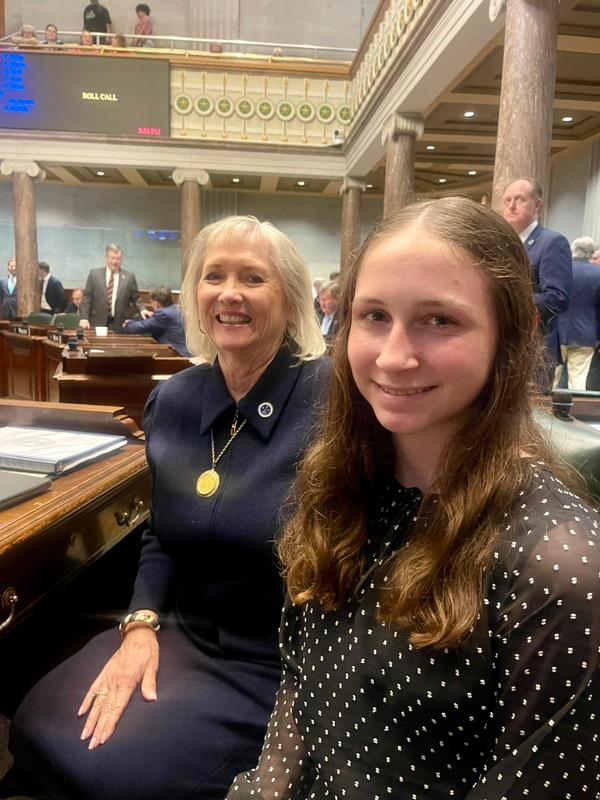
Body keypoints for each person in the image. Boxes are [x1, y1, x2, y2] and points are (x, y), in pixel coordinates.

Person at [228, 197, 600, 799]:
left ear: (511, 335)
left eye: (440, 320)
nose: (395, 356)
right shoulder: (337, 486)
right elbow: (301, 692)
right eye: (374, 316)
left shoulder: (561, 566)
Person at [10, 216, 328, 800]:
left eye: (252, 278)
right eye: (214, 276)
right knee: (34, 726)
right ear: (195, 297)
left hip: (277, 664)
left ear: (289, 301)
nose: (229, 292)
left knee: (112, 774)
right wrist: (140, 625)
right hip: (173, 635)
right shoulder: (176, 398)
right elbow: (159, 532)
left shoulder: (331, 401)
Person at [501, 177, 572, 386]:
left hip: (535, 348)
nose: (511, 206)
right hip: (502, 345)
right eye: (507, 200)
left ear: (537, 205)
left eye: (520, 199)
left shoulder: (551, 242)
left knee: (531, 412)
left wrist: (508, 301)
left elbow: (557, 298)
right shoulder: (501, 244)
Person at [555, 236, 600, 390]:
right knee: (578, 383)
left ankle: (546, 412)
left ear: (573, 251)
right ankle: (574, 412)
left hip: (557, 333)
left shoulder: (559, 270)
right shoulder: (598, 273)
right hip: (586, 336)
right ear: (591, 253)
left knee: (551, 380)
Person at [78, 245, 149, 333]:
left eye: (118, 259)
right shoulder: (94, 275)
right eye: (112, 258)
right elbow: (86, 299)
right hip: (97, 323)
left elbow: (136, 298)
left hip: (120, 324)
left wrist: (142, 309)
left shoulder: (129, 277)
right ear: (107, 258)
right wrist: (84, 318)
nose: (115, 261)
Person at [123, 286, 191, 357]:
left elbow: (140, 327)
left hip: (178, 355)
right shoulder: (178, 309)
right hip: (187, 354)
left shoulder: (162, 314)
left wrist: (128, 323)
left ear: (156, 303)